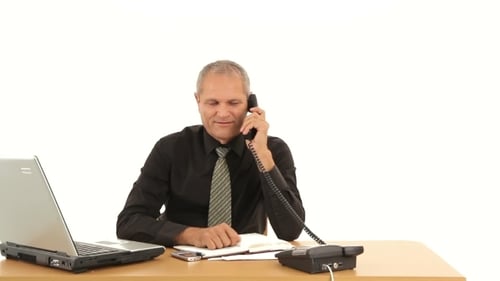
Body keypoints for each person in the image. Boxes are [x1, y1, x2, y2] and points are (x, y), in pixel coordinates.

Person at [116, 60, 305, 250]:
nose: (222, 113)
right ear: (198, 101)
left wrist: (262, 155)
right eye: (213, 103)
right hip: (180, 265)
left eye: (233, 103)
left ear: (250, 104)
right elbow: (129, 223)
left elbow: (290, 231)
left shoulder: (273, 150)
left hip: (245, 265)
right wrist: (191, 235)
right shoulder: (170, 149)